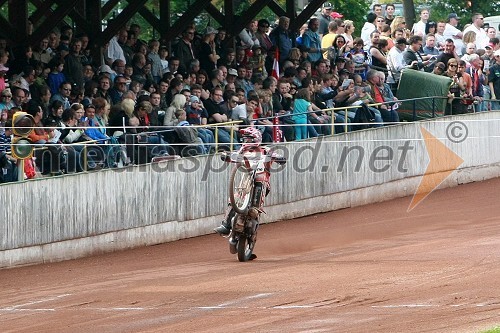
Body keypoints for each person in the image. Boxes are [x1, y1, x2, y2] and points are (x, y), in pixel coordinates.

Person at [214, 127, 286, 236]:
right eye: (245, 139)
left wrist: (278, 158)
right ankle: (226, 225)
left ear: (256, 139)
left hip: (262, 182)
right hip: (246, 183)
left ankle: (255, 211)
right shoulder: (242, 150)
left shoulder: (265, 150)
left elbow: (277, 156)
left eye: (248, 139)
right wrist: (226, 156)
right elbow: (232, 156)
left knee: (259, 184)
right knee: (235, 197)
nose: (246, 141)